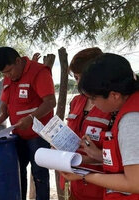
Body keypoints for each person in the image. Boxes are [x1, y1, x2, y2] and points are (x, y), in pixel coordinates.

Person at [61, 53, 139, 200]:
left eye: (93, 98)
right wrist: (97, 154)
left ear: (114, 95)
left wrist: (85, 176)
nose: (93, 104)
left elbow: (135, 183)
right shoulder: (129, 107)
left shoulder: (131, 120)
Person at [0, 46, 56, 200]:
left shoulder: (39, 72)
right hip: (18, 135)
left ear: (18, 61)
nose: (7, 76)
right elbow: (5, 106)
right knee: (17, 172)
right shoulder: (9, 77)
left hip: (38, 135)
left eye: (9, 71)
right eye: (4, 73)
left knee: (40, 174)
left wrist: (31, 118)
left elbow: (50, 102)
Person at [64, 47, 116, 200]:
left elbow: (119, 155)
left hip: (102, 187)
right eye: (76, 78)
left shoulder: (112, 104)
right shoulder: (76, 102)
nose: (79, 84)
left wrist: (87, 158)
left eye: (81, 77)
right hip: (76, 184)